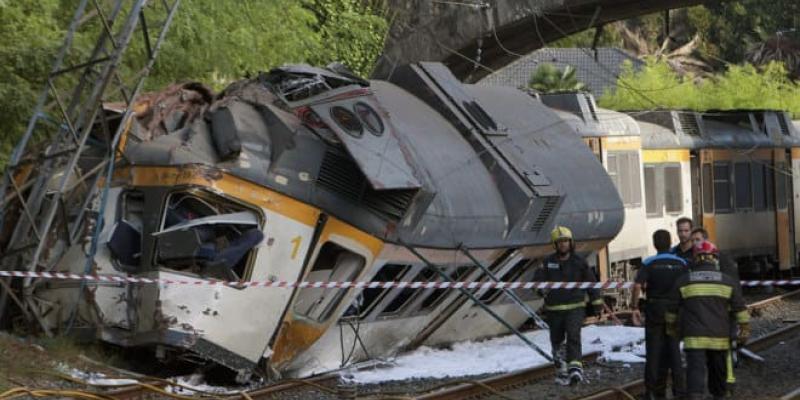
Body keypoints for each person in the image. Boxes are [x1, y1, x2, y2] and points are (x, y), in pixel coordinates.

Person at [666, 241, 750, 400]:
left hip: (694, 338)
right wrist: (744, 328)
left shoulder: (684, 281)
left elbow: (672, 310)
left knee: (695, 371)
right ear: (714, 258)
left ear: (695, 258)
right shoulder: (727, 281)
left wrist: (672, 328)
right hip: (719, 337)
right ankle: (718, 395)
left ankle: (696, 396)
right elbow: (740, 308)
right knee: (718, 371)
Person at [535, 226, 604, 386]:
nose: (563, 244)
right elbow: (537, 281)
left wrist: (597, 304)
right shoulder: (547, 263)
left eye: (565, 241)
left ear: (571, 242)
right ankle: (561, 369)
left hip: (575, 308)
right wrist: (540, 289)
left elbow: (591, 283)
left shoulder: (579, 262)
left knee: (573, 337)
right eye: (559, 242)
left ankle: (575, 370)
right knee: (557, 342)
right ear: (555, 245)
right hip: (554, 310)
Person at [631, 230, 688, 400]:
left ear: (655, 244)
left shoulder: (649, 262)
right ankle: (680, 392)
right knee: (674, 351)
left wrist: (635, 307)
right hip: (674, 311)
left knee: (654, 352)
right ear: (670, 243)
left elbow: (636, 286)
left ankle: (652, 392)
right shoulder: (682, 263)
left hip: (655, 310)